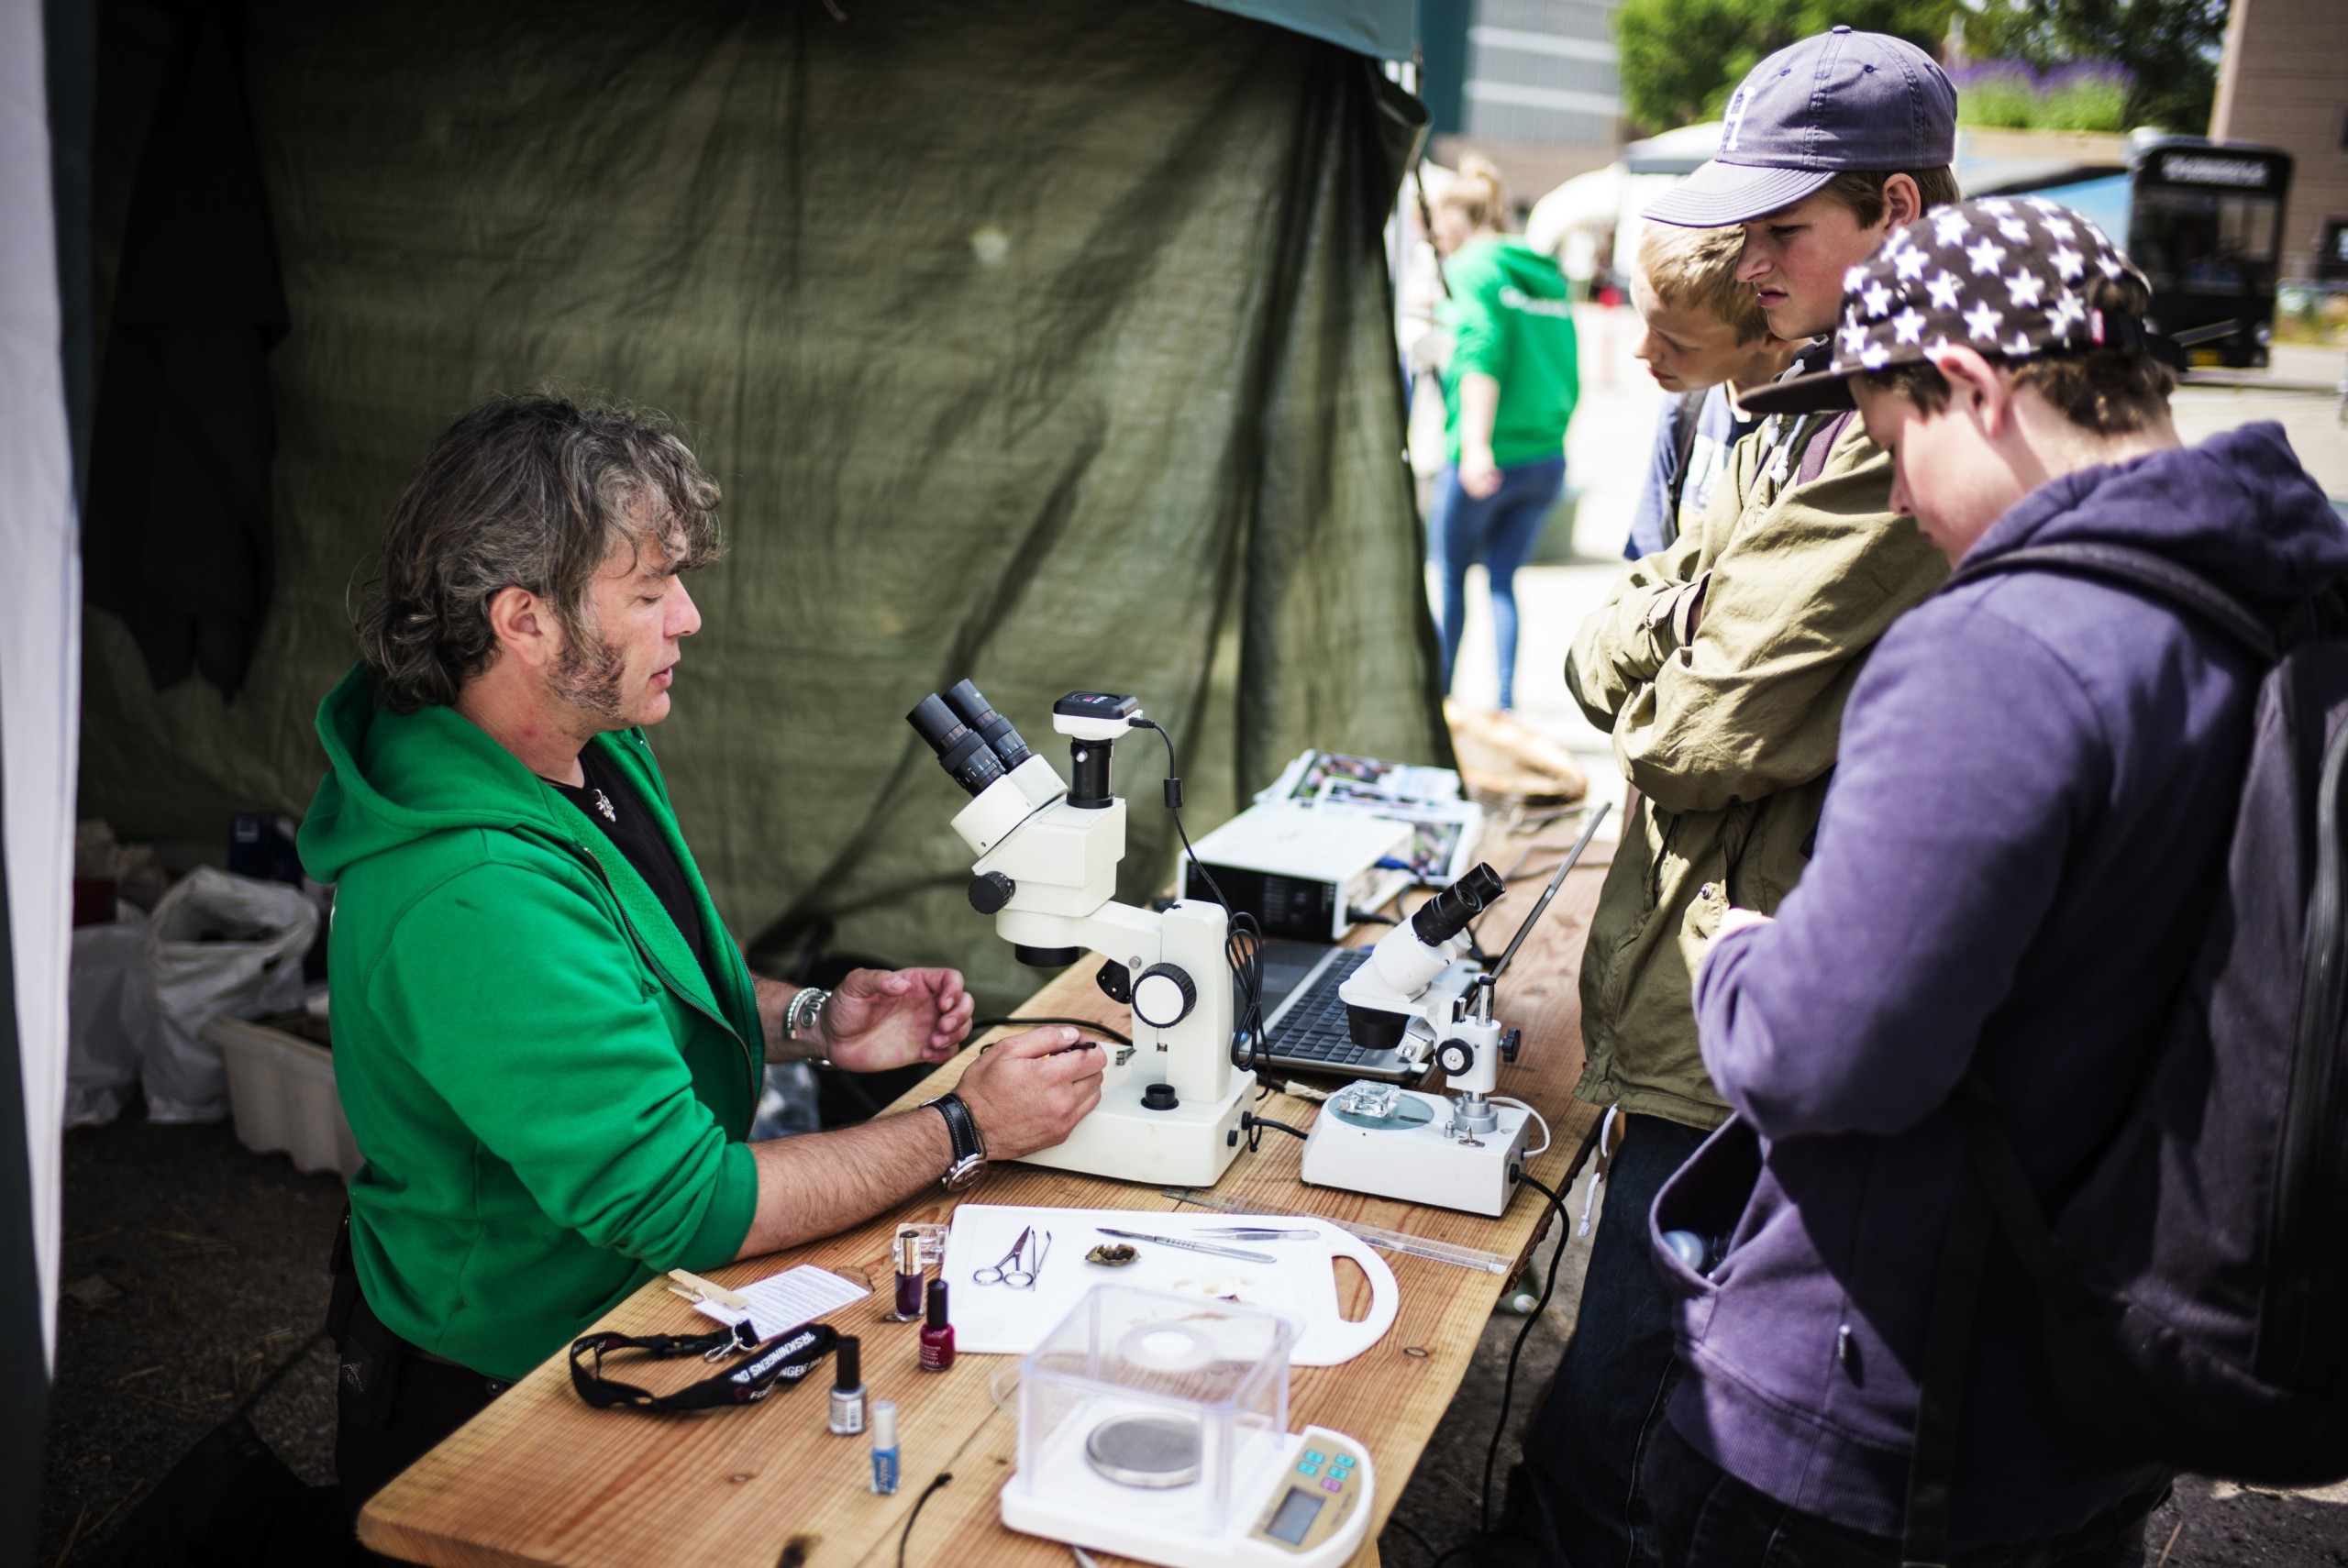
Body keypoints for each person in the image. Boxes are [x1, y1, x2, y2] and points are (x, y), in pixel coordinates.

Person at [1647, 198, 2348, 1564]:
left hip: (1880, 1419)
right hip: (2114, 1377)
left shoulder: (2002, 649)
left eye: (1896, 439)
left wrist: (1739, 953)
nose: (1901, 497)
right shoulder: (2300, 610)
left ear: (1968, 387)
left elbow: (1825, 1051)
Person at [294, 395, 1105, 1536]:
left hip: (635, 1305)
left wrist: (821, 1018)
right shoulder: (471, 892)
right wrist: (965, 1127)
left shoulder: (590, 747)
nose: (689, 616)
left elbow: (654, 984)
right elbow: (684, 1203)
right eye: (646, 591)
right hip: (507, 1387)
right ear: (525, 620)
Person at [1520, 29, 1960, 1568]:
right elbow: (1618, 645)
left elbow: (1693, 737)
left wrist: (1676, 636)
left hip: (1764, 1006)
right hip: (1705, 976)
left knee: (1638, 1415)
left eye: (1784, 228)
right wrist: (1681, 622)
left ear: (1896, 214)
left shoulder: (1916, 425)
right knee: (1631, 1381)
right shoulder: (1798, 397)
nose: (1750, 260)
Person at [1429, 155, 1580, 712]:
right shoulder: (1543, 272)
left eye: (1439, 230)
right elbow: (1560, 360)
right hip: (1545, 456)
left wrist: (1474, 444)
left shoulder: (1472, 265)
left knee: (1449, 580)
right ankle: (1506, 704)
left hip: (1485, 456)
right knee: (1501, 582)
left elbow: (1481, 352)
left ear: (1457, 221)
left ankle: (1439, 703)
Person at [1623, 223, 1800, 558]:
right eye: (1644, 322)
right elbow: (1649, 557)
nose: (1639, 349)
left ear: (1773, 334)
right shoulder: (1686, 407)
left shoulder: (1819, 432)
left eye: (1676, 342)